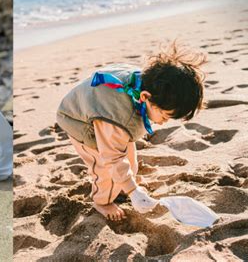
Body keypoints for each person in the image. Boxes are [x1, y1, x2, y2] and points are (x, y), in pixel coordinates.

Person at [56, 42, 206, 221]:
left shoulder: (147, 84)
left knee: (130, 161)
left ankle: (127, 183)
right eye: (165, 116)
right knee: (106, 170)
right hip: (80, 122)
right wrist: (133, 192)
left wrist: (130, 184)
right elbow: (112, 157)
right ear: (145, 97)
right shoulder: (117, 118)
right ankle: (101, 202)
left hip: (104, 110)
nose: (164, 122)